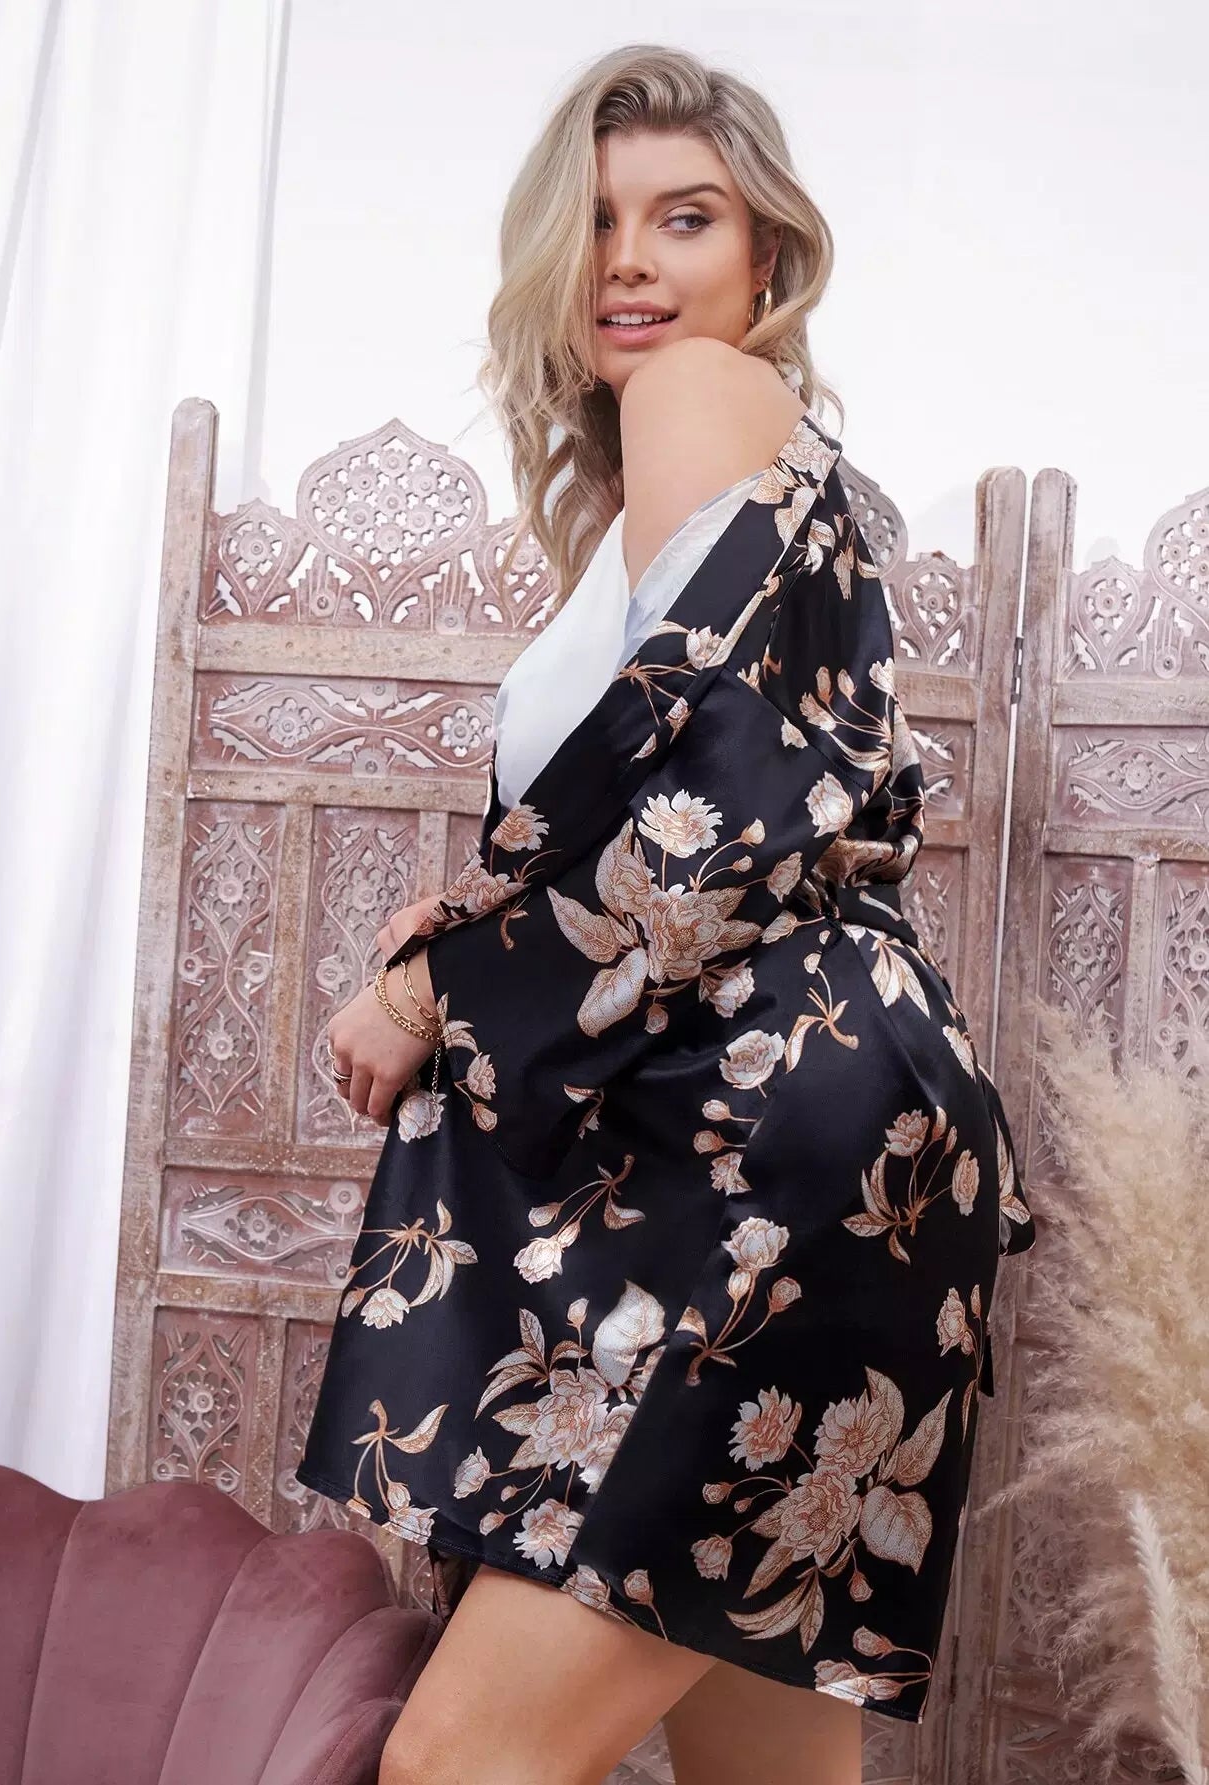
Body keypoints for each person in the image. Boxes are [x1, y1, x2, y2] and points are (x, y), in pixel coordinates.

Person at [300, 42, 1037, 1785]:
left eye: (684, 218)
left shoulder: (701, 390)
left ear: (765, 258)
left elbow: (702, 796)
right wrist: (471, 907)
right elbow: (691, 796)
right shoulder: (738, 465)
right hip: (833, 1127)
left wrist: (429, 981)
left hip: (777, 1135)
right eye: (598, 221)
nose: (630, 261)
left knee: (459, 1764)